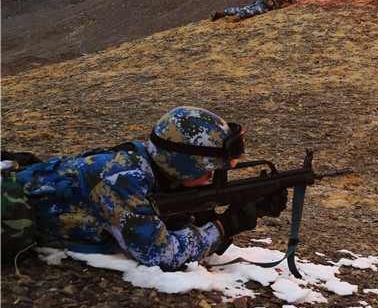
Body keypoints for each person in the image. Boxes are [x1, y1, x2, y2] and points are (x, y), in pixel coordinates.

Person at [6, 107, 272, 271]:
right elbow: (159, 255)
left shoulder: (152, 164)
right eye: (209, 169)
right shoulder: (122, 177)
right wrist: (223, 227)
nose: (212, 176)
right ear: (184, 166)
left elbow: (165, 216)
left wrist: (249, 207)